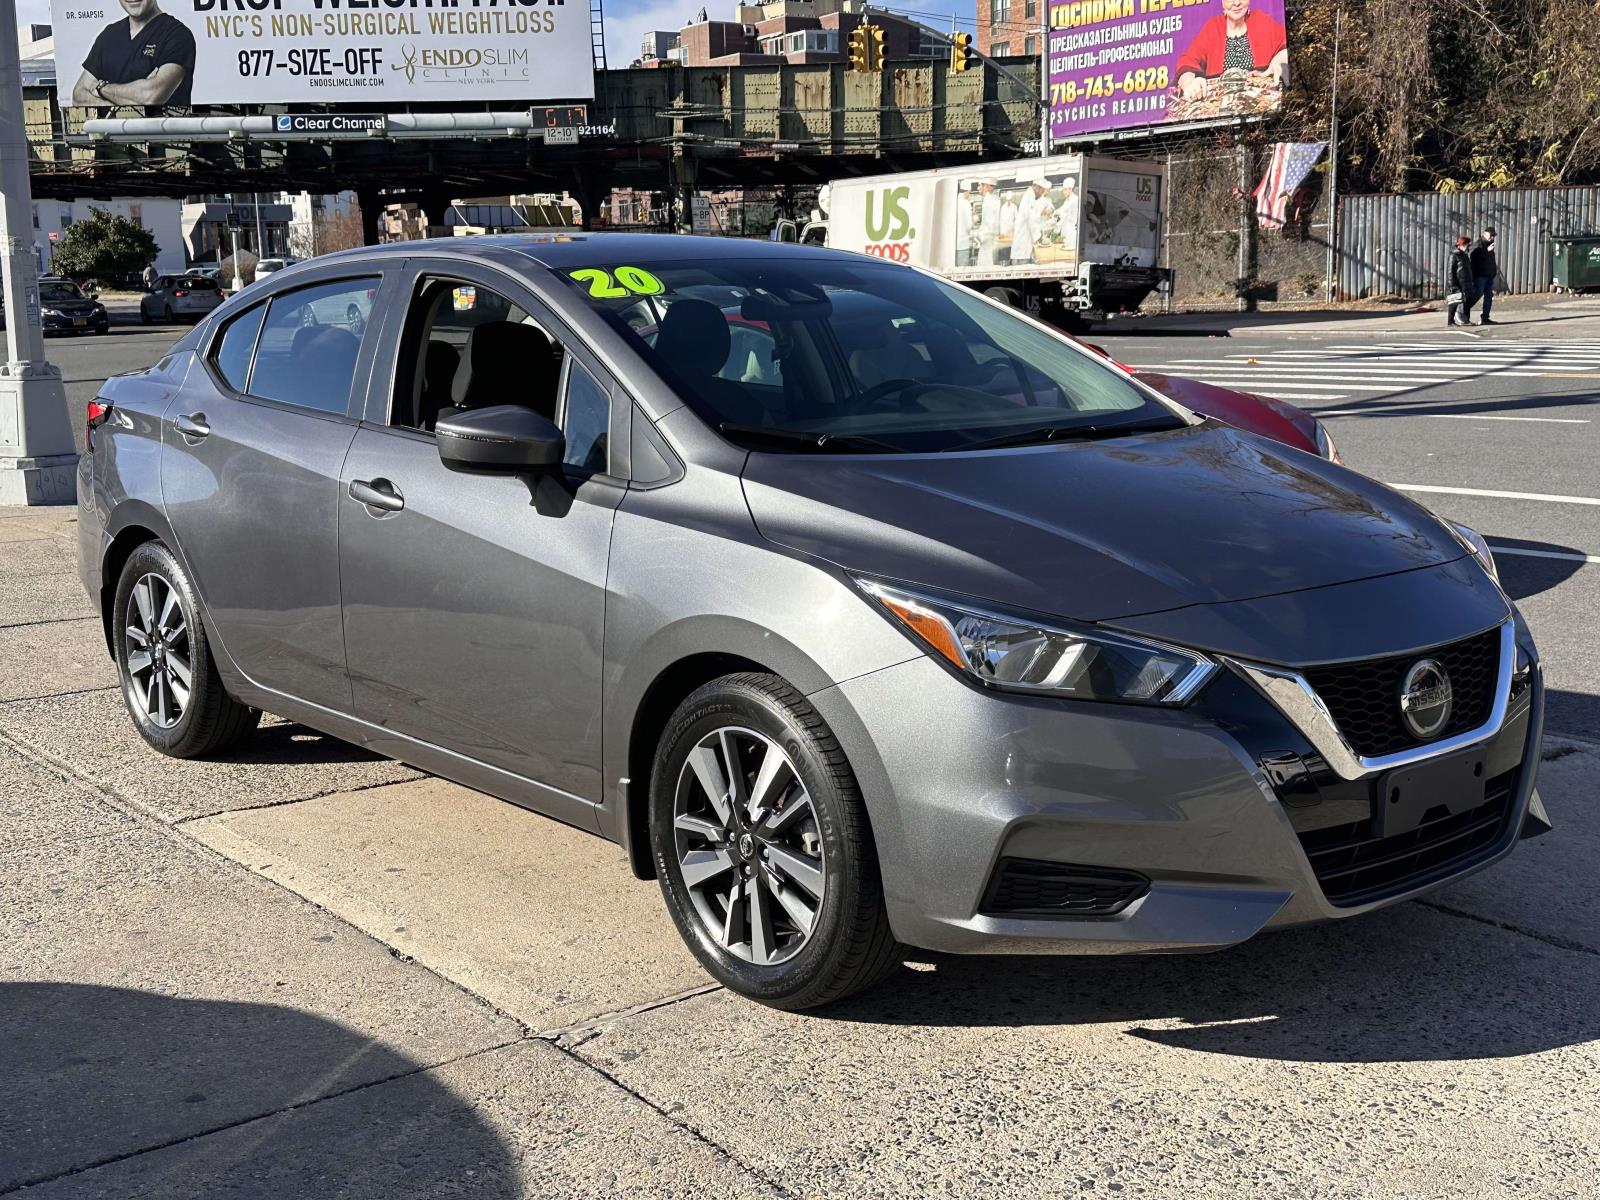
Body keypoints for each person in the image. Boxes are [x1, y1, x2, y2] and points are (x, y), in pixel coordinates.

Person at [71, 0, 196, 108]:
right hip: (114, 135)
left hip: (164, 135)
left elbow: (150, 97)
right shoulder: (109, 35)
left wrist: (101, 88)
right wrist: (123, 107)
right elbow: (79, 95)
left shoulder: (177, 35)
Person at [1175, 0, 1288, 99]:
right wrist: (1188, 81)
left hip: (1260, 106)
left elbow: (1288, 39)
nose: (1237, 3)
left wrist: (1282, 55)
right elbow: (1187, 60)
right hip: (1219, 112)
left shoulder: (1261, 20)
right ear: (1222, 2)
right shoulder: (1213, 27)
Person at [1009, 179, 1055, 266]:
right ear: (1037, 187)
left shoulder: (1032, 196)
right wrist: (1039, 236)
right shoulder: (1029, 197)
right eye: (1042, 190)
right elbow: (1031, 219)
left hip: (1024, 247)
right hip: (1021, 251)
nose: (1042, 193)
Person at [1446, 235, 1477, 328]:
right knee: (1454, 301)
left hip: (1466, 281)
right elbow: (1450, 271)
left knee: (1468, 300)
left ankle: (1466, 319)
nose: (1468, 247)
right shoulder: (1454, 255)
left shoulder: (1464, 255)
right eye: (1467, 245)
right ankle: (1450, 321)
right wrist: (1452, 284)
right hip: (1458, 282)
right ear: (1461, 245)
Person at [1471, 228, 1499, 325]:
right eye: (1490, 235)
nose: (1491, 237)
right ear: (1484, 234)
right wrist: (1487, 251)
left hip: (1489, 275)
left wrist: (1493, 272)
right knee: (1477, 293)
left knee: (1488, 297)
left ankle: (1485, 318)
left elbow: (1491, 260)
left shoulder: (1490, 245)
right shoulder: (1479, 244)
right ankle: (1463, 310)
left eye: (1493, 236)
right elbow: (1474, 258)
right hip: (1480, 275)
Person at [976, 180, 1002, 268]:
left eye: (979, 185)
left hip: (987, 241)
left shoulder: (990, 201)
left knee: (985, 265)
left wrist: (978, 235)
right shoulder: (992, 199)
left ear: (986, 186)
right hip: (989, 241)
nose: (978, 188)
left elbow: (990, 224)